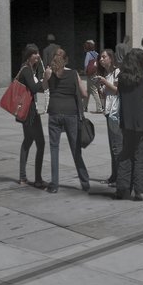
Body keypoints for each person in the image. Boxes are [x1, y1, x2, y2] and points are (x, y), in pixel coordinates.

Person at [43, 49, 91, 194]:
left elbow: (43, 88)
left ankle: (55, 184)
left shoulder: (49, 73)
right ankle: (85, 182)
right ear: (66, 60)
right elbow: (84, 94)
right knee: (75, 149)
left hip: (54, 111)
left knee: (54, 148)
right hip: (71, 113)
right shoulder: (73, 73)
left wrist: (46, 76)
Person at [114, 49, 143, 201]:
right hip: (142, 122)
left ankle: (123, 188)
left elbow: (120, 94)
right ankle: (139, 190)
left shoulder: (121, 78)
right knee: (141, 155)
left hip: (127, 122)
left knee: (126, 154)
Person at [17, 45, 47, 189]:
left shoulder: (29, 69)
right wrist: (43, 79)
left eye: (38, 53)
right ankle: (38, 179)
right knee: (40, 143)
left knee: (28, 141)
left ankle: (23, 177)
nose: (37, 55)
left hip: (26, 111)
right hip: (30, 113)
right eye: (34, 53)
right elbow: (35, 88)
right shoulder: (27, 70)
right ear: (29, 55)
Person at [95, 50, 122, 188]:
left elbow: (118, 90)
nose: (101, 59)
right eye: (100, 57)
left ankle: (120, 178)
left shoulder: (117, 72)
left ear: (111, 58)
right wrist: (101, 90)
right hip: (108, 112)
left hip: (116, 113)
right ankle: (113, 176)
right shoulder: (106, 74)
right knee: (113, 146)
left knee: (117, 146)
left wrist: (105, 82)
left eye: (104, 57)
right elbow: (107, 94)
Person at [82, 40, 102, 113]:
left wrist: (85, 72)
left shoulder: (88, 54)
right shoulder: (96, 54)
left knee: (94, 90)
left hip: (90, 75)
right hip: (96, 73)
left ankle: (99, 108)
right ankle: (84, 107)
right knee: (88, 90)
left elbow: (86, 65)